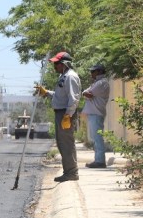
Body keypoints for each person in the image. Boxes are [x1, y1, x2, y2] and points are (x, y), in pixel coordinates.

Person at [34, 51, 82, 182]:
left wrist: (68, 115)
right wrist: (46, 92)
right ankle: (69, 172)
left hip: (65, 114)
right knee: (62, 143)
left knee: (66, 143)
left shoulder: (70, 77)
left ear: (64, 64)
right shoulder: (64, 76)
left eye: (56, 63)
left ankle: (71, 173)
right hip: (61, 113)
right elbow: (59, 95)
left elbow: (74, 98)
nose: (54, 66)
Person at [82, 62, 111, 168]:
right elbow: (86, 93)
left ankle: (100, 161)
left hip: (96, 113)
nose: (91, 73)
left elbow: (88, 94)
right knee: (96, 138)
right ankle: (98, 160)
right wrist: (85, 93)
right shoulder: (97, 82)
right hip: (95, 113)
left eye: (93, 71)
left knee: (97, 138)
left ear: (99, 72)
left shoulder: (101, 83)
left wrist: (85, 93)